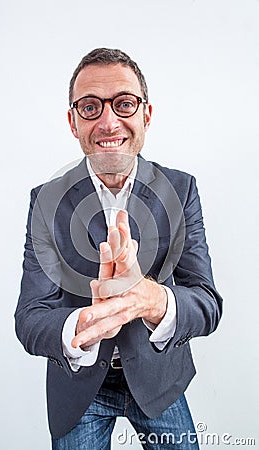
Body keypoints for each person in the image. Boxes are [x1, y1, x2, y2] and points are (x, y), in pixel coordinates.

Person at [15, 48, 223, 449]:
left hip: (159, 379)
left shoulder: (180, 190)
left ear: (146, 114)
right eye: (90, 107)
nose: (109, 121)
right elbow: (29, 317)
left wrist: (152, 300)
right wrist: (83, 327)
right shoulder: (46, 202)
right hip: (78, 387)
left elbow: (207, 303)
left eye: (124, 103)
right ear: (73, 122)